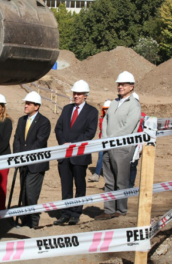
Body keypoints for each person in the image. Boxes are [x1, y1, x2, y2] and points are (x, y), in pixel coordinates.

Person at [95, 71, 141, 220]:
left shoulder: (134, 105)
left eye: (123, 84)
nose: (120, 86)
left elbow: (128, 127)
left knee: (121, 181)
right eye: (119, 84)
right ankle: (108, 210)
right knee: (109, 180)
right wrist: (105, 137)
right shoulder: (114, 102)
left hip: (122, 148)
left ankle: (120, 210)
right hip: (108, 146)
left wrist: (111, 139)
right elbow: (106, 121)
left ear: (131, 87)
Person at [54, 80, 98, 225]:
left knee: (79, 185)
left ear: (86, 95)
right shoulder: (67, 109)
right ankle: (65, 213)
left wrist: (73, 144)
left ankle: (76, 213)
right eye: (74, 93)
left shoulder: (92, 111)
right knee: (66, 185)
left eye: (79, 94)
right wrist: (63, 144)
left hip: (79, 155)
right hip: (64, 155)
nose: (76, 96)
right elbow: (58, 128)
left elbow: (90, 133)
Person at [13, 91, 51, 228]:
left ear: (37, 106)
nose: (26, 106)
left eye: (29, 104)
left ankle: (34, 222)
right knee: (23, 192)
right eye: (25, 103)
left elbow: (39, 142)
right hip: (22, 163)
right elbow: (17, 139)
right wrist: (17, 156)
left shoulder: (44, 122)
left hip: (35, 164)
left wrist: (24, 156)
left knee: (31, 192)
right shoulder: (21, 120)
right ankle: (25, 221)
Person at [88, 99, 111, 182]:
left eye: (108, 108)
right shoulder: (102, 119)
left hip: (111, 142)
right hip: (102, 141)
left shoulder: (114, 119)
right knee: (101, 157)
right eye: (105, 109)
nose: (106, 110)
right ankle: (96, 174)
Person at [129, 92, 146, 188]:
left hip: (137, 144)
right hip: (127, 143)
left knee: (132, 165)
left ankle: (130, 185)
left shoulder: (143, 116)